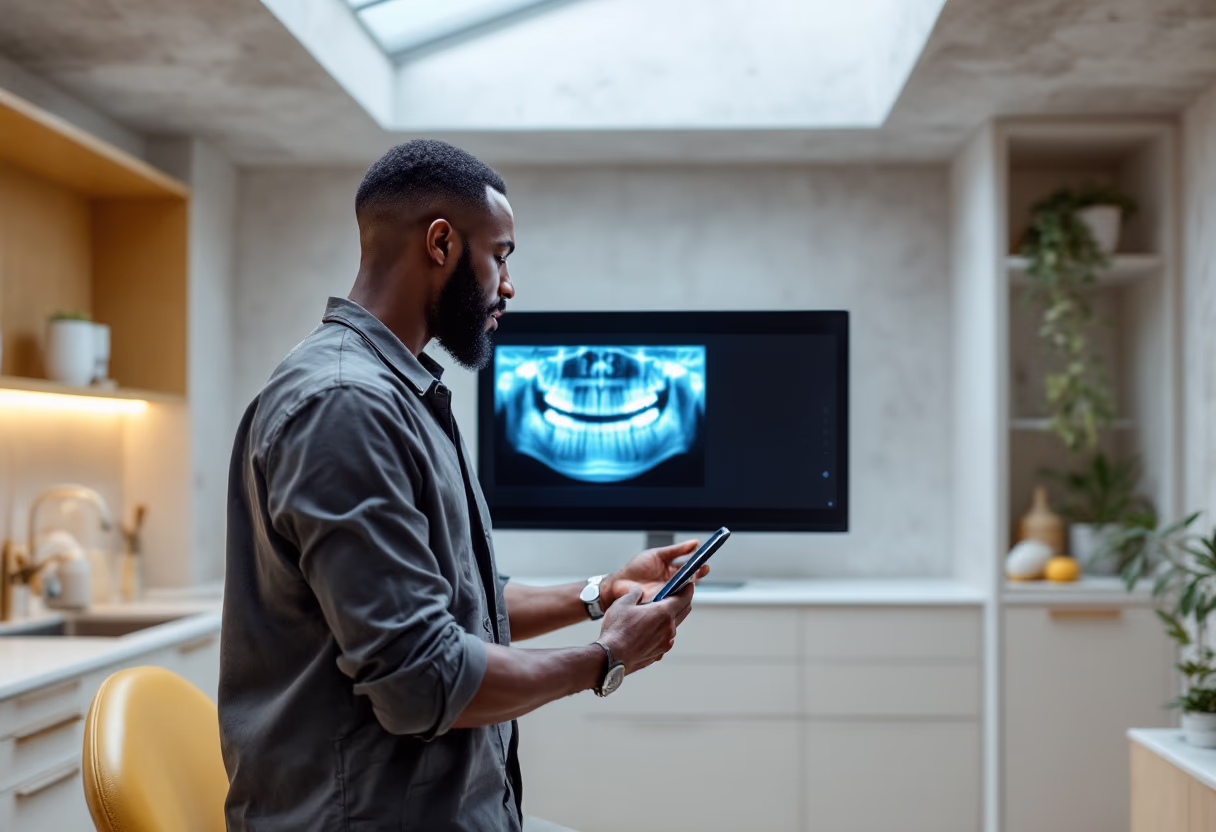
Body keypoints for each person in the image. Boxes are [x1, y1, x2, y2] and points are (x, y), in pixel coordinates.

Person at [220, 139, 705, 832]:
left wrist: (598, 593)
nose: (508, 284)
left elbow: (451, 601)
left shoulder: (399, 396)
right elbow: (423, 682)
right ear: (442, 242)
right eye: (501, 254)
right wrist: (607, 658)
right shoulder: (343, 406)